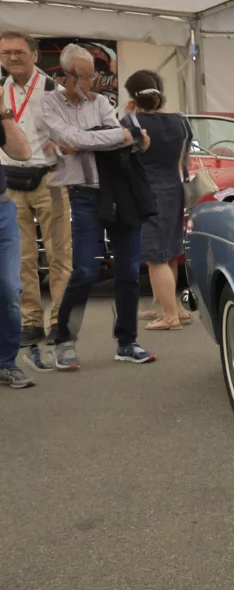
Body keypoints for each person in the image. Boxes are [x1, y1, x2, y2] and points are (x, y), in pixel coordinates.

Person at [34, 43, 154, 371]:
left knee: (129, 271)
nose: (91, 83)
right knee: (85, 271)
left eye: (92, 76)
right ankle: (64, 340)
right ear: (65, 75)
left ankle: (127, 342)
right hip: (82, 194)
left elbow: (114, 140)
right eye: (84, 77)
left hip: (118, 191)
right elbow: (75, 139)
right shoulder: (49, 104)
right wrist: (117, 136)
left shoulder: (100, 102)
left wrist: (114, 137)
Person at [1, 30, 69, 369]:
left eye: (18, 52)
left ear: (34, 55)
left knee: (59, 253)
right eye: (6, 53)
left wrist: (64, 143)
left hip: (50, 179)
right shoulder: (1, 91)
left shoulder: (54, 91)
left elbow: (72, 133)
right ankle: (30, 320)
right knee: (23, 258)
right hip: (10, 182)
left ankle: (58, 319)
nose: (12, 58)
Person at [123, 70, 191, 330]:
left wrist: (128, 116)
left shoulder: (133, 122)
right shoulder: (179, 120)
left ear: (133, 95)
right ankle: (175, 309)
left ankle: (170, 316)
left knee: (155, 257)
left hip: (147, 192)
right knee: (170, 252)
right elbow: (182, 160)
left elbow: (121, 151)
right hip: (174, 188)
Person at [0, 101, 35, 388]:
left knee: (10, 289)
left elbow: (22, 152)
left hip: (2, 210)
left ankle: (6, 363)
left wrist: (2, 111)